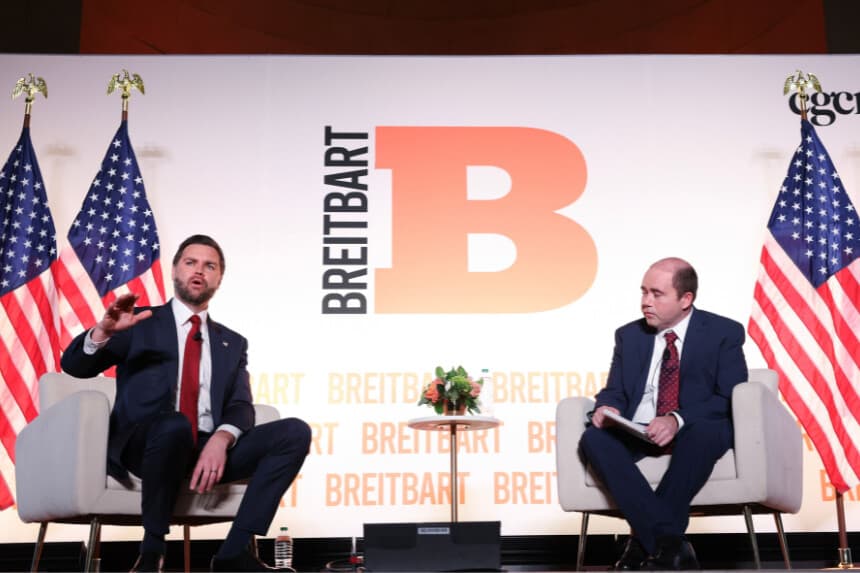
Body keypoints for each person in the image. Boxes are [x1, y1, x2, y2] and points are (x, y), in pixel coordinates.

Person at [61, 234, 311, 573]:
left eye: (210, 266)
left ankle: (234, 554)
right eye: (191, 262)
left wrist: (222, 439)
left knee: (295, 432)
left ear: (219, 279)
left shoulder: (232, 342)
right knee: (174, 423)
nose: (199, 271)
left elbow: (241, 405)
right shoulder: (139, 322)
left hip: (205, 450)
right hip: (147, 444)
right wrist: (103, 332)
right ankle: (151, 553)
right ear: (175, 270)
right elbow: (75, 367)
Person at [578, 257, 747, 570]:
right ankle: (670, 544)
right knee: (593, 439)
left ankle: (641, 545)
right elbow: (614, 388)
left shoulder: (724, 332)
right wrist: (608, 406)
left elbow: (728, 396)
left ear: (686, 300)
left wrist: (676, 419)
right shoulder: (629, 335)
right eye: (643, 292)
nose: (646, 302)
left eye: (656, 294)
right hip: (639, 425)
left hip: (697, 425)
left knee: (701, 434)